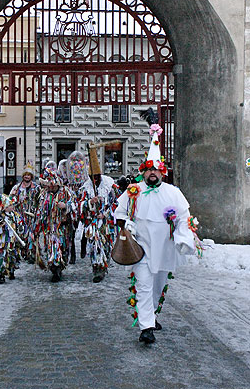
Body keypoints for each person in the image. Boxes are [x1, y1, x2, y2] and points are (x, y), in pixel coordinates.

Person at [114, 122, 196, 345]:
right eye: (149, 169)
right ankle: (146, 327)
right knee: (143, 284)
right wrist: (126, 226)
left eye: (156, 170)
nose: (152, 173)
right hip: (141, 248)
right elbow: (119, 213)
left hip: (165, 250)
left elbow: (183, 218)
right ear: (143, 172)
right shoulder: (134, 191)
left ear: (162, 172)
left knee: (158, 286)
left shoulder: (173, 193)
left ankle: (151, 315)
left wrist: (183, 238)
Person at [79, 146, 121, 283]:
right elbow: (80, 205)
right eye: (92, 177)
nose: (95, 179)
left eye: (96, 177)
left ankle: (104, 265)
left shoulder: (110, 185)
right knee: (94, 246)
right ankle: (97, 269)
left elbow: (118, 202)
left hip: (106, 223)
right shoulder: (86, 187)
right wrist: (90, 202)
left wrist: (107, 214)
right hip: (93, 224)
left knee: (106, 245)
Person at [34, 167, 77, 282]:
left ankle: (60, 266)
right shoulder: (44, 194)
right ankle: (55, 269)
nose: (51, 187)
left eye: (52, 184)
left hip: (63, 227)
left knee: (63, 248)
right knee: (52, 248)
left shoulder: (66, 192)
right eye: (48, 185)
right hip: (50, 227)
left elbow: (75, 205)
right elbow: (40, 210)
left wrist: (66, 206)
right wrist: (37, 226)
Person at [9, 161, 40, 262]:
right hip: (20, 216)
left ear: (31, 176)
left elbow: (41, 200)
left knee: (31, 235)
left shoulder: (36, 188)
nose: (27, 177)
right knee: (20, 234)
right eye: (25, 175)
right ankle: (20, 252)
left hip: (32, 216)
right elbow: (10, 200)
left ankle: (31, 253)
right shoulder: (16, 188)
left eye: (29, 175)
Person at [0, 194, 25, 284]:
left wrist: (21, 228)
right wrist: (0, 225)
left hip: (13, 240)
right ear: (4, 207)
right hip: (4, 240)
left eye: (12, 205)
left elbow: (21, 223)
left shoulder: (15, 215)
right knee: (3, 255)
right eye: (9, 205)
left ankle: (11, 271)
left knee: (13, 255)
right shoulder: (1, 216)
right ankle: (2, 274)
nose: (12, 207)